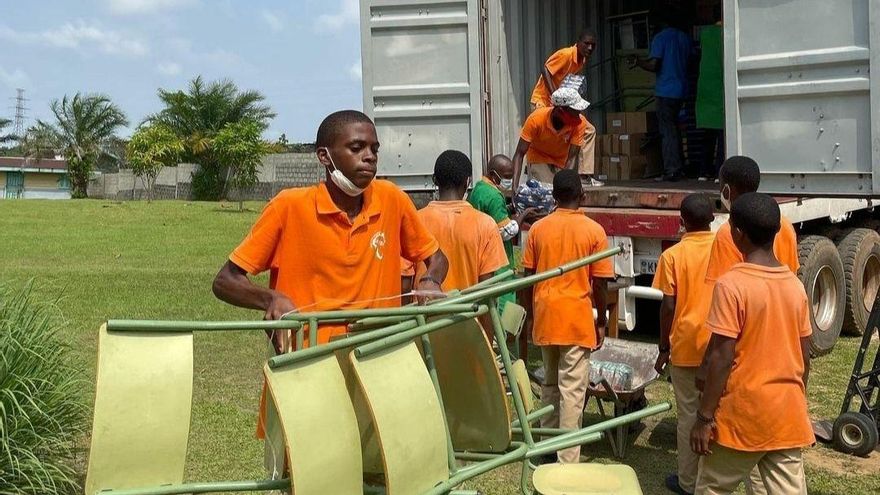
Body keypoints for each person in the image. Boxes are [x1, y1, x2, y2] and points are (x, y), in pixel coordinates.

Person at [212, 109, 449, 436]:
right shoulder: (289, 207)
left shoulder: (392, 200)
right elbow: (225, 281)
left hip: (377, 364)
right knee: (312, 461)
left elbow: (436, 257)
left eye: (374, 149)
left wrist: (431, 280)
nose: (369, 157)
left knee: (379, 459)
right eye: (357, 148)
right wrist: (270, 298)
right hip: (309, 369)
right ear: (325, 156)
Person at [691, 193, 813, 494]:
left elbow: (721, 358)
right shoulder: (795, 286)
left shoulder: (731, 285)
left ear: (737, 233)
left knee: (712, 487)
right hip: (786, 415)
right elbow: (804, 357)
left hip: (742, 416)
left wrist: (704, 417)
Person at [520, 169, 614, 463]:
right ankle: (567, 458)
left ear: (554, 196)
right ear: (582, 196)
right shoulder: (594, 231)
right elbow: (600, 284)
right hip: (575, 320)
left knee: (550, 384)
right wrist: (602, 321)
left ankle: (547, 447)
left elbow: (527, 278)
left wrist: (530, 316)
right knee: (572, 391)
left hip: (546, 316)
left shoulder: (538, 230)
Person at [401, 150, 508, 337]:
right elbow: (486, 293)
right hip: (469, 329)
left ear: (435, 180)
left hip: (424, 330)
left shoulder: (414, 222)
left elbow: (404, 284)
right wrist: (488, 339)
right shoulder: (485, 225)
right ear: (467, 181)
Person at [651, 194, 717, 495]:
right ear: (713, 219)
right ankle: (716, 478)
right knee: (718, 413)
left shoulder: (673, 256)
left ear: (681, 222)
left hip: (686, 346)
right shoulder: (728, 250)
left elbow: (668, 306)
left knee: (689, 416)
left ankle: (689, 482)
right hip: (721, 346)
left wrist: (663, 347)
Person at [705, 156, 799, 283]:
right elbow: (793, 273)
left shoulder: (730, 231)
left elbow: (722, 287)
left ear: (727, 190)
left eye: (720, 186)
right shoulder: (785, 224)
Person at [529, 29, 601, 186]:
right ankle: (535, 170)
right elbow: (546, 70)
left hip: (560, 104)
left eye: (593, 45)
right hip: (543, 101)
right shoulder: (566, 54)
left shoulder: (581, 60)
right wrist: (556, 97)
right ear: (578, 43)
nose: (590, 48)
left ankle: (584, 175)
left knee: (588, 130)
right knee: (541, 136)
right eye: (586, 44)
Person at [628, 11, 693, 181]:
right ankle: (680, 167)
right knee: (676, 129)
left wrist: (638, 62)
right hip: (681, 90)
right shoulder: (684, 38)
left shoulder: (660, 38)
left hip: (665, 91)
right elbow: (691, 60)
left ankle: (672, 170)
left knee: (667, 131)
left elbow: (654, 64)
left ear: (662, 23)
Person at [512, 88, 596, 193]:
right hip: (539, 157)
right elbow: (519, 154)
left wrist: (565, 183)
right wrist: (514, 187)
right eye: (574, 112)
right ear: (560, 111)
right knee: (545, 192)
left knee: (560, 191)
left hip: (561, 161)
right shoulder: (535, 119)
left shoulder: (580, 122)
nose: (578, 116)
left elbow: (572, 158)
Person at [695, 10, 725, 182]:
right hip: (721, 86)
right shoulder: (727, 33)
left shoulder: (705, 34)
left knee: (707, 133)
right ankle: (720, 171)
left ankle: (703, 171)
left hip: (705, 87)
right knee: (722, 133)